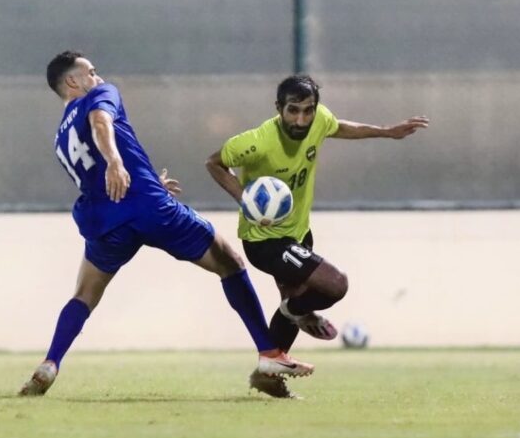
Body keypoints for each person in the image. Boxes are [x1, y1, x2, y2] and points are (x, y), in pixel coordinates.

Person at [19, 51, 313, 397]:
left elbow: (95, 174)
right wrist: (116, 161)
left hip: (103, 219)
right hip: (148, 208)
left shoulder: (60, 138)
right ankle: (269, 352)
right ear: (73, 81)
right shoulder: (100, 95)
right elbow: (102, 123)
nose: (98, 77)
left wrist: (141, 177)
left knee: (84, 295)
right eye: (92, 72)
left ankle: (50, 363)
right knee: (230, 263)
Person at [206, 75, 428, 397]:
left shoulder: (319, 121)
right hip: (264, 240)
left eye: (308, 110)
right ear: (278, 108)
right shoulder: (255, 142)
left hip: (299, 233)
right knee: (335, 284)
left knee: (292, 301)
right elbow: (213, 163)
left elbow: (339, 127)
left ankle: (268, 373)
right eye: (293, 110)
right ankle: (298, 312)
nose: (301, 119)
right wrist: (245, 199)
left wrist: (386, 132)